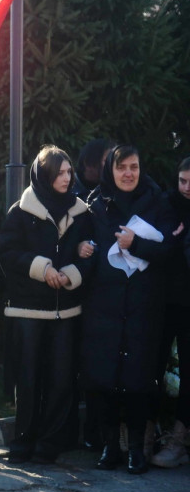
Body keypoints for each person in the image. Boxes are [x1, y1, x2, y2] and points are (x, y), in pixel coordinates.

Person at [81, 145, 177, 474]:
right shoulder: (95, 203)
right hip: (104, 305)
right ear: (111, 170)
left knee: (138, 380)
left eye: (134, 167)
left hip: (143, 306)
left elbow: (169, 252)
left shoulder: (158, 201)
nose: (128, 174)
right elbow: (84, 246)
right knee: (105, 377)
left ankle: (136, 449)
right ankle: (110, 447)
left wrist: (135, 244)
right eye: (122, 167)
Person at [0, 146, 93, 464]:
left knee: (62, 378)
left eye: (68, 172)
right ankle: (23, 443)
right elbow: (6, 253)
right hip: (28, 311)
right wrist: (42, 269)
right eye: (60, 173)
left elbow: (92, 252)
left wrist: (71, 274)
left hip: (66, 310)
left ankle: (50, 444)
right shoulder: (20, 212)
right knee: (28, 379)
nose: (67, 178)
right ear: (44, 176)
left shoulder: (81, 212)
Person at [153, 157, 190, 468]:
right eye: (183, 181)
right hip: (165, 300)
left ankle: (179, 439)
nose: (187, 188)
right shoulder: (166, 204)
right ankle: (147, 432)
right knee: (152, 364)